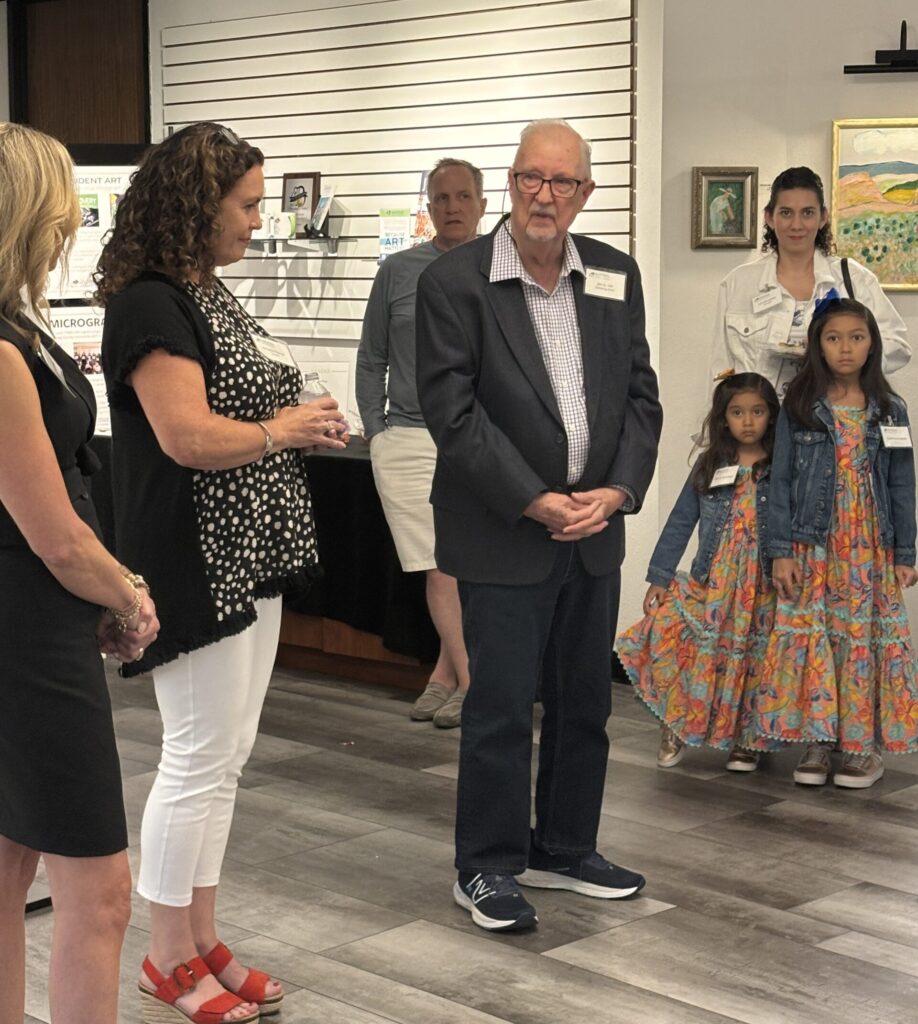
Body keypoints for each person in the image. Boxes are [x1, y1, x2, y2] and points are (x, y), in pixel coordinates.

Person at [97, 123, 347, 1023]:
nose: (256, 219)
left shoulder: (207, 294)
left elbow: (235, 402)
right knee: (197, 755)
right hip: (193, 556)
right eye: (245, 205)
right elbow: (186, 435)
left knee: (227, 758)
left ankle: (200, 938)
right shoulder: (151, 303)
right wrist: (283, 429)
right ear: (196, 206)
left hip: (246, 552)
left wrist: (298, 410)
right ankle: (166, 958)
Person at [415, 119, 662, 932]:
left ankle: (563, 848)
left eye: (562, 183)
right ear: (510, 183)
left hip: (593, 530)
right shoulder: (454, 283)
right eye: (531, 179)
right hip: (503, 530)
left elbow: (639, 399)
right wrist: (535, 498)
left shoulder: (615, 276)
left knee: (585, 702)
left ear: (585, 194)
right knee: (500, 707)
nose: (544, 196)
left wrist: (617, 493)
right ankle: (484, 866)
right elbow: (454, 415)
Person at [0, 122, 158, 1024]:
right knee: (98, 893)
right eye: (62, 205)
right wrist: (128, 593)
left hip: (34, 621)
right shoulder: (2, 347)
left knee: (11, 866)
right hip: (27, 635)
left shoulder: (19, 328)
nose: (72, 223)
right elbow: (52, 533)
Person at [758, 298, 918, 788]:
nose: (845, 348)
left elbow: (901, 483)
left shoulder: (889, 410)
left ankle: (860, 747)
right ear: (817, 346)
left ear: (872, 343)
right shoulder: (801, 407)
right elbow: (779, 481)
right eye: (833, 338)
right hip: (813, 545)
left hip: (868, 547)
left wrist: (906, 553)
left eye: (856, 337)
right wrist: (780, 550)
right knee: (817, 638)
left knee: (859, 641)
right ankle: (818, 740)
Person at [356, 157, 486, 728]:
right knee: (438, 566)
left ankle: (450, 675)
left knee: (465, 566)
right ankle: (467, 678)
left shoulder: (500, 267)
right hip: (407, 438)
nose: (452, 207)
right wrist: (378, 431)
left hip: (480, 440)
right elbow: (372, 357)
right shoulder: (398, 271)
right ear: (427, 206)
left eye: (463, 197)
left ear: (483, 203)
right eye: (441, 198)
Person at [617, 372, 782, 771]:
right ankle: (675, 720)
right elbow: (681, 520)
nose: (747, 421)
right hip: (715, 579)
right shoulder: (711, 465)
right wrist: (659, 574)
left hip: (762, 584)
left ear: (771, 416)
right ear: (723, 418)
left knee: (754, 659)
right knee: (686, 644)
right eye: (738, 412)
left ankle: (747, 738)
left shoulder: (781, 468)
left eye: (757, 412)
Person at [709, 166, 910, 398]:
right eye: (786, 213)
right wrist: (715, 429)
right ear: (769, 217)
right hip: (760, 428)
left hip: (832, 424)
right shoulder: (738, 284)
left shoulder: (855, 280)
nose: (796, 225)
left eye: (807, 213)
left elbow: (898, 346)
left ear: (822, 217)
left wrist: (838, 359)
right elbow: (719, 369)